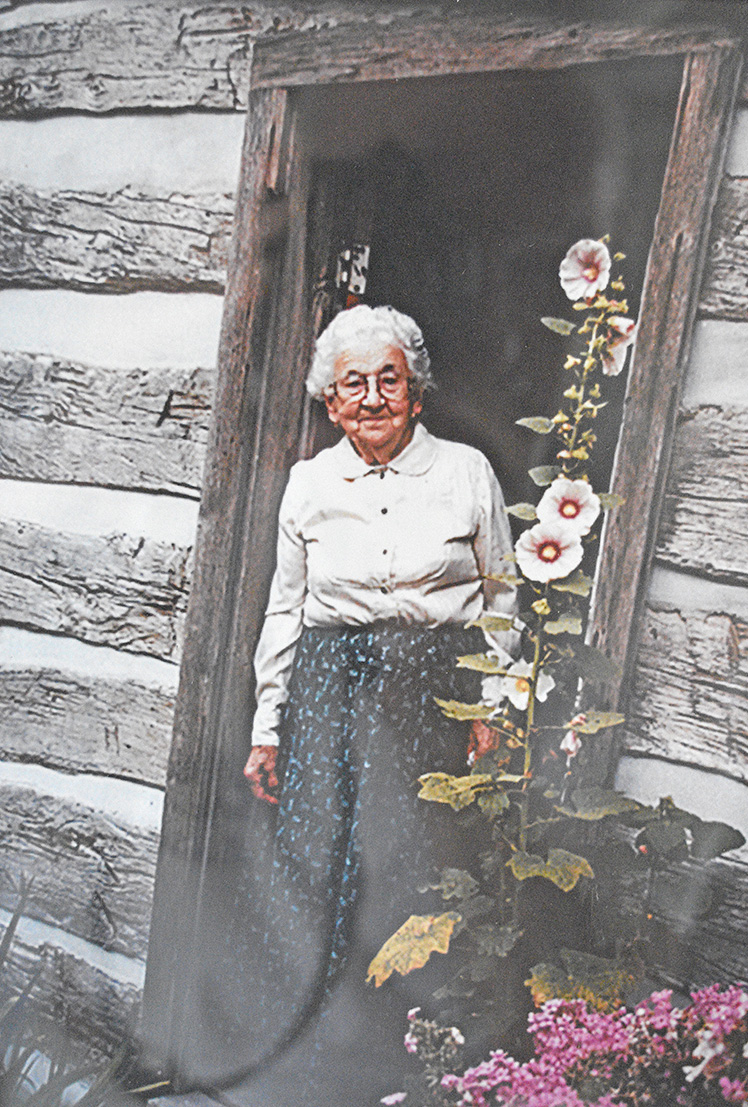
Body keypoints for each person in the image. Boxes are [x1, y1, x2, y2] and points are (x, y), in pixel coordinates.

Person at [235, 305, 517, 1106]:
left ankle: (401, 1077)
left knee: (416, 872)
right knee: (312, 866)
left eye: (388, 380)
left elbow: (503, 601)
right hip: (327, 684)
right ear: (330, 403)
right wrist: (268, 728)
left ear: (417, 392)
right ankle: (300, 1072)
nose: (371, 397)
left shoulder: (466, 472)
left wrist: (492, 706)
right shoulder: (310, 482)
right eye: (352, 384)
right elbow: (284, 612)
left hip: (434, 685)